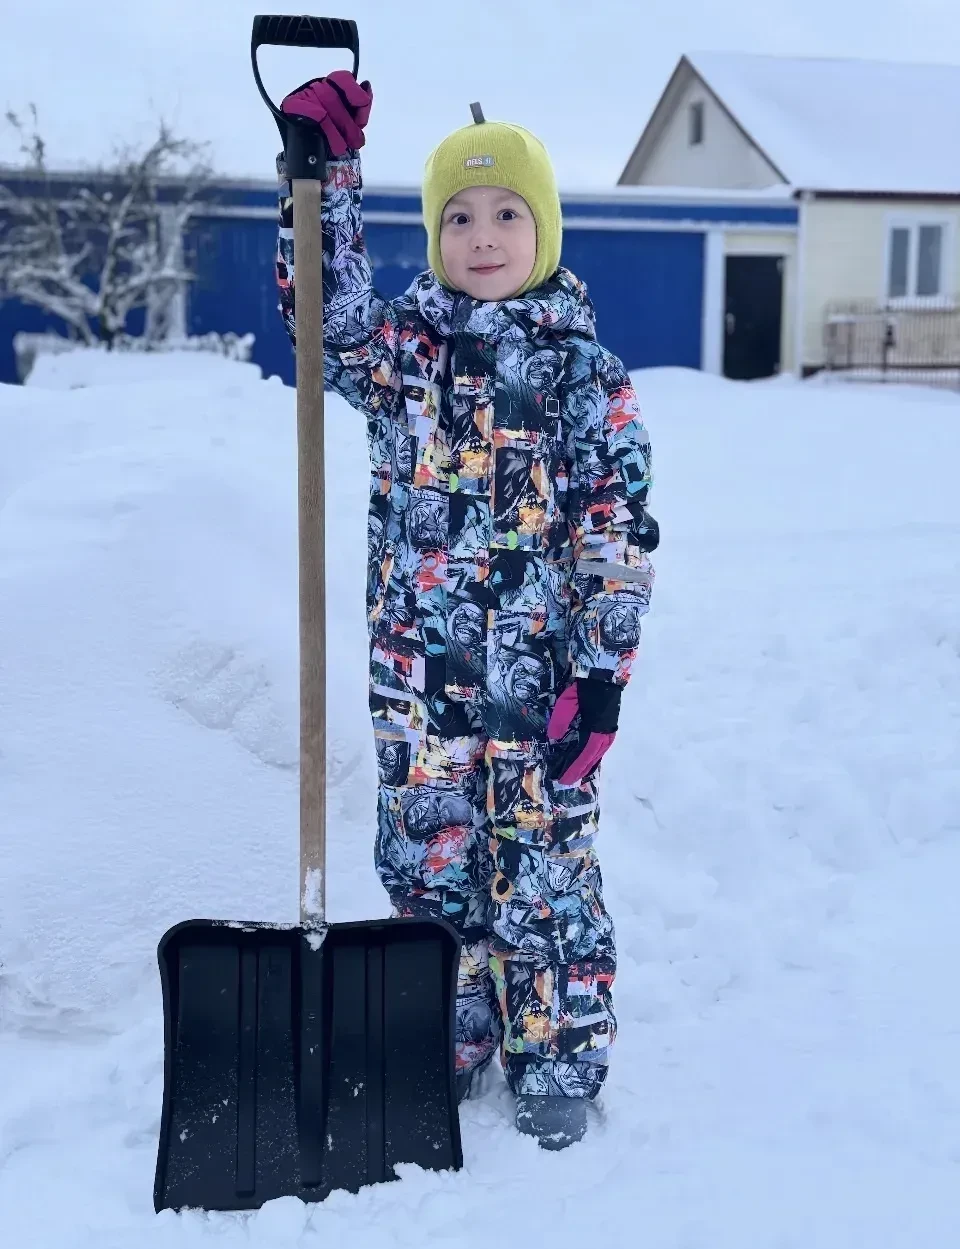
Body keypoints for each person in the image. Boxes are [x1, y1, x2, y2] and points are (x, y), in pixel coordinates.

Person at [275, 71, 659, 1150]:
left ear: (545, 229)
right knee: (431, 863)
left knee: (544, 873)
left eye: (506, 214)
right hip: (421, 684)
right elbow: (321, 322)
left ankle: (557, 1051)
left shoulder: (587, 373)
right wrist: (322, 180)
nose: (481, 236)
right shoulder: (401, 354)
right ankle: (446, 1033)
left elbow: (616, 533)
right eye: (457, 216)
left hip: (543, 687)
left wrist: (601, 679)